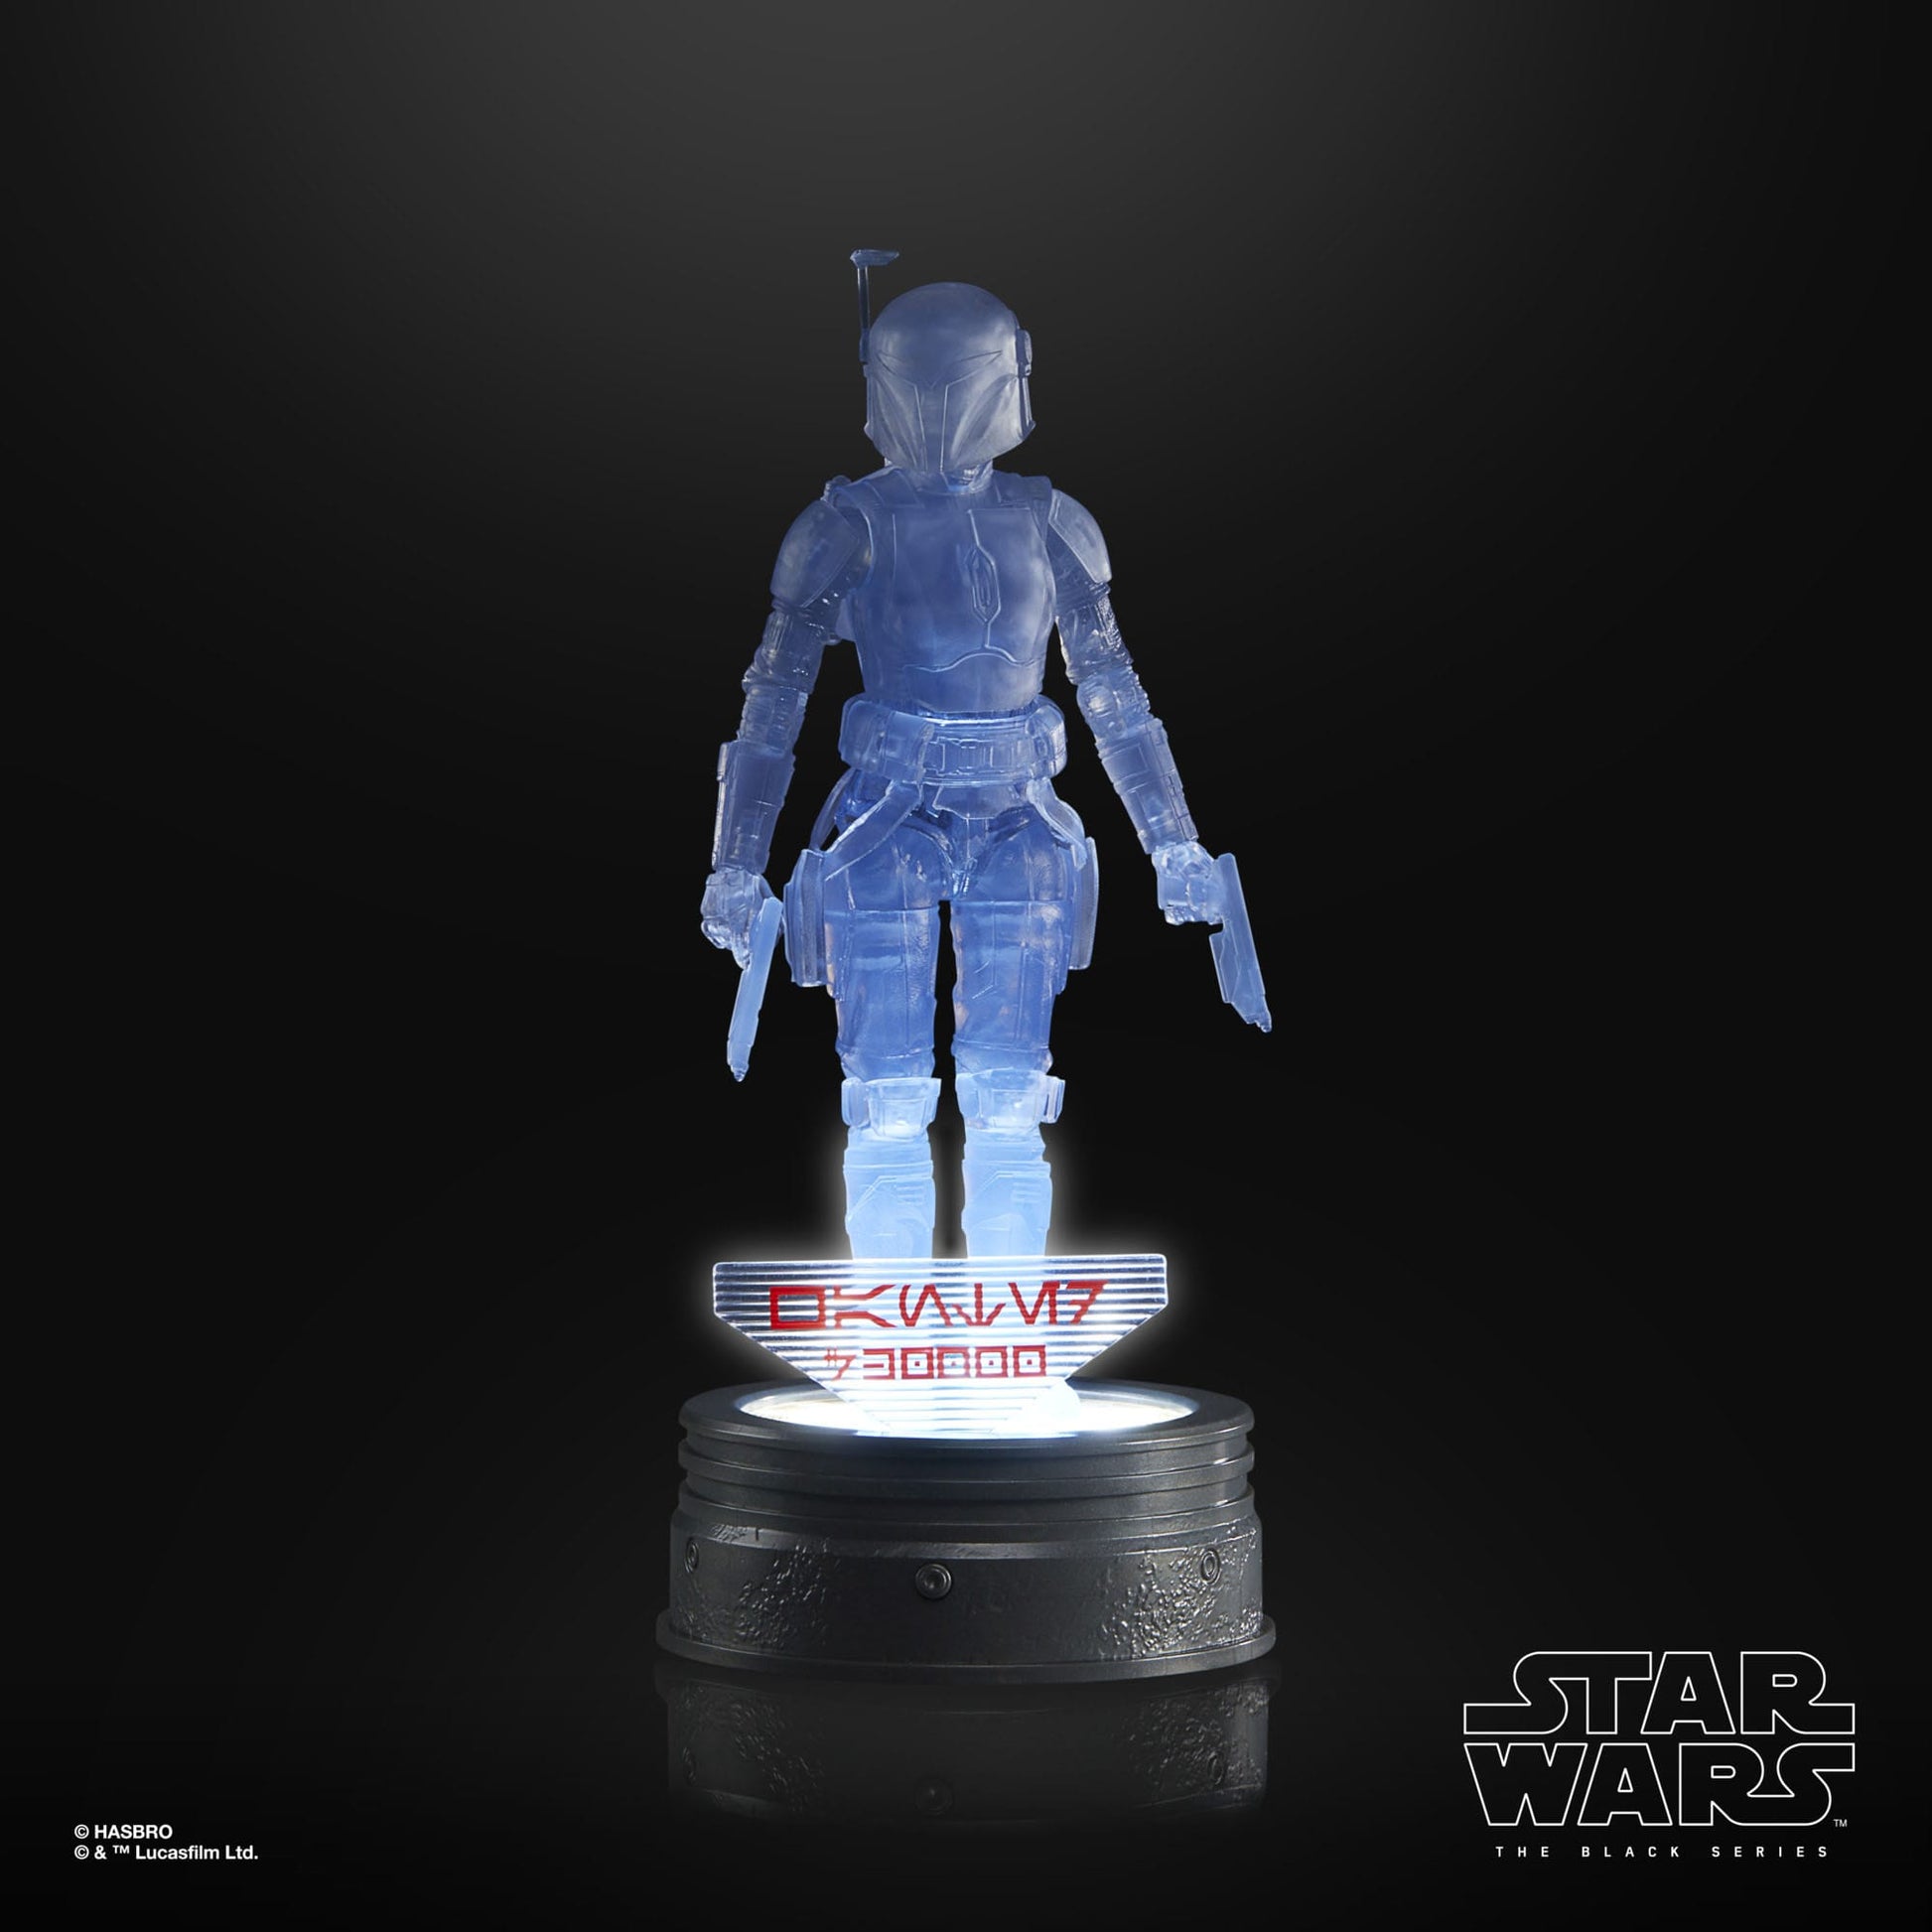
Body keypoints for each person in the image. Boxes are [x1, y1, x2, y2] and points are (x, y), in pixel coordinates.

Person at [700, 264, 1259, 1259]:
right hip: (888, 822)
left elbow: (1115, 695)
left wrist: (1174, 842)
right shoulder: (846, 525)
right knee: (887, 1098)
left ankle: (1003, 1303)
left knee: (1006, 1097)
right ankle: (892, 1307)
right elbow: (771, 703)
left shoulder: (1048, 522)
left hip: (1016, 820)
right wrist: (735, 864)